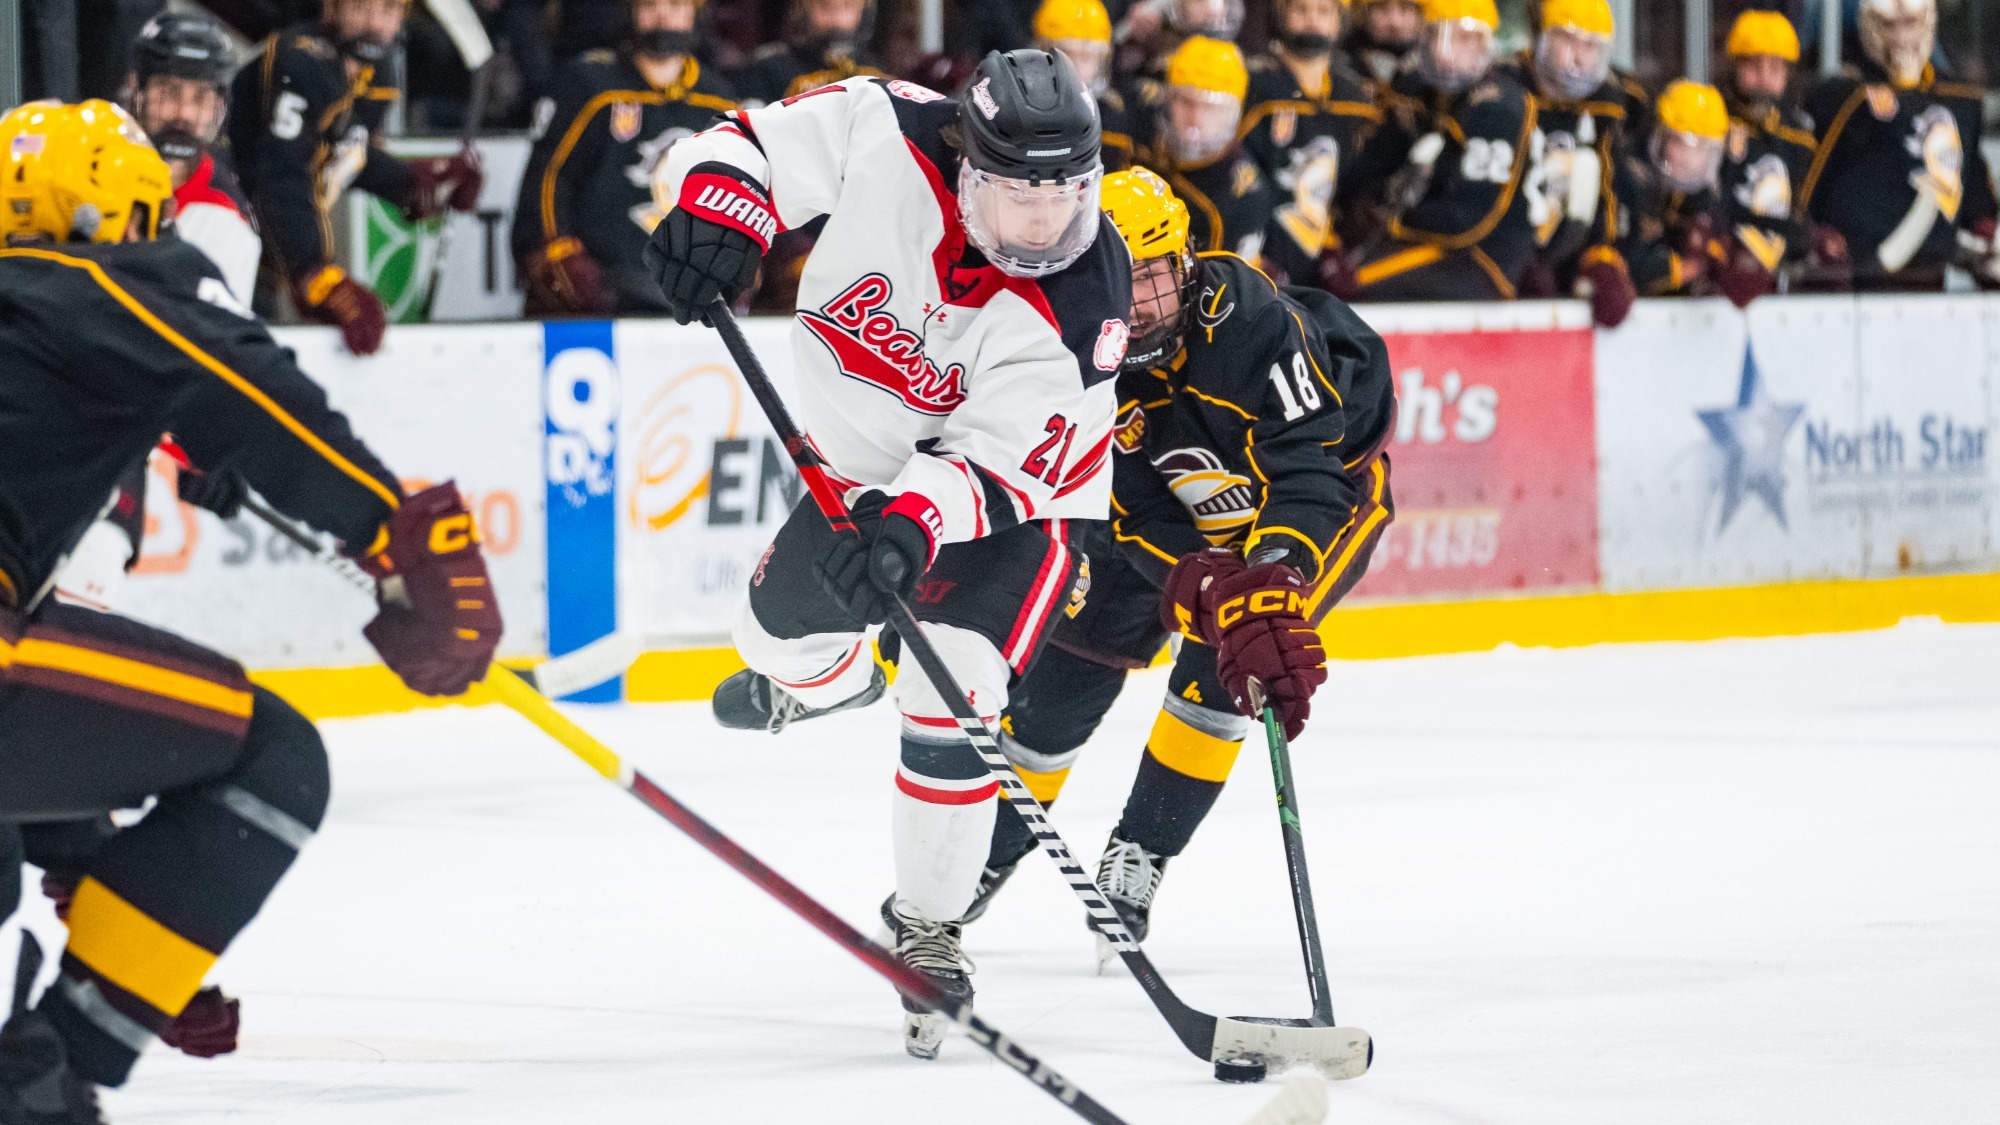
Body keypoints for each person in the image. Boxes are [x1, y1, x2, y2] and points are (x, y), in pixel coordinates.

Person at [0, 99, 501, 1120]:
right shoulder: (112, 282)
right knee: (271, 755)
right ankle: (61, 1069)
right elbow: (261, 404)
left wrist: (116, 899)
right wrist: (397, 539)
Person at [646, 50, 1130, 1060]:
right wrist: (717, 216)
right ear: (965, 165)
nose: (1043, 225)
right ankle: (826, 686)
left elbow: (1002, 460)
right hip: (851, 478)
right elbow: (745, 145)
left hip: (1009, 512)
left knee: (952, 684)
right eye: (1016, 198)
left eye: (1065, 197)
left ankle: (929, 924)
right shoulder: (883, 128)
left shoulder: (1086, 299)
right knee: (767, 638)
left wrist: (911, 526)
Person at [962, 168, 1394, 950]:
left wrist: (1272, 579)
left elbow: (1309, 470)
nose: (1134, 303)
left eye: (1153, 276)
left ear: (1187, 264)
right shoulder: (1076, 348)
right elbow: (1124, 506)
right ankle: (972, 864)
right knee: (1064, 683)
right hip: (1171, 517)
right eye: (1115, 281)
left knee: (1232, 665)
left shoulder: (1252, 324)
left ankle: (1141, 854)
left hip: (1316, 502)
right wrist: (1195, 576)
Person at [228, 0, 484, 354]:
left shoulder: (377, 74)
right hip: (223, 238)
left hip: (265, 252)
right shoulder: (302, 61)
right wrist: (313, 273)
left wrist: (415, 182)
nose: (374, 24)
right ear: (331, 8)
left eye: (389, 10)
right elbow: (281, 176)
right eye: (362, 6)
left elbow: (343, 157)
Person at [514, 0, 737, 316]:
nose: (662, 15)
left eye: (675, 4)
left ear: (696, 12)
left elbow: (739, 198)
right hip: (602, 288)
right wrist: (556, 250)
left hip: (691, 291)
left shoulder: (720, 100)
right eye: (649, 5)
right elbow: (548, 180)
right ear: (630, 11)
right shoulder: (587, 84)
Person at [1336, 0, 1540, 302]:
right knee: (1330, 274)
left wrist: (1390, 219)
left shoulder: (1499, 105)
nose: (1446, 53)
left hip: (1480, 258)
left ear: (1486, 44)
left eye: (1464, 39)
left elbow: (1468, 220)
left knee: (1346, 287)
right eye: (1437, 37)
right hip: (1425, 242)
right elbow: (1377, 165)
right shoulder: (1419, 90)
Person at [1799, 0, 1996, 291]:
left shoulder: (1960, 99)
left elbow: (1973, 189)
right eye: (1889, 26)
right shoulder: (1843, 97)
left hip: (1932, 278)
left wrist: (1984, 227)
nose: (1902, 38)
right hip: (1856, 283)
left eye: (1910, 24)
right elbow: (1808, 184)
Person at [1501, 0, 1640, 327]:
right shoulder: (1505, 82)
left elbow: (1608, 184)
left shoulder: (1609, 97)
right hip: (1501, 251)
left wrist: (1602, 254)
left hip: (1565, 250)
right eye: (1568, 41)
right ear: (1542, 38)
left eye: (1590, 46)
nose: (1579, 57)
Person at [122, 11, 262, 302]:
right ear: (137, 88)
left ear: (218, 106)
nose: (183, 113)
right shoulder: (86, 163)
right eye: (168, 91)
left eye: (200, 97)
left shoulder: (229, 222)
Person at [1239, 0, 1381, 286]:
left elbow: (1351, 187)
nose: (1312, 20)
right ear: (1281, 15)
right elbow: (1241, 179)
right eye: (1300, 10)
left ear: (1340, 19)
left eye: (1323, 11)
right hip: (1259, 250)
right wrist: (1250, 254)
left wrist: (1338, 244)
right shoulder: (1252, 84)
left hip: (1320, 251)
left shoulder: (1355, 96)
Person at [1619, 80, 1782, 306]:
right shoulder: (1631, 178)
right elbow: (1622, 261)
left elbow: (1724, 248)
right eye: (1680, 142)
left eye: (1702, 148)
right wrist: (1682, 268)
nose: (1689, 158)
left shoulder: (1711, 194)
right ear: (1660, 138)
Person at [1718, 10, 1828, 289]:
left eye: (1775, 68)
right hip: (1724, 267)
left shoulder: (1800, 135)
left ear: (1788, 74)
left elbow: (1807, 208)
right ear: (1734, 68)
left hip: (1784, 270)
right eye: (1754, 66)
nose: (1764, 78)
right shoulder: (1714, 123)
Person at [1146, 36, 1275, 261]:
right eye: (1185, 102)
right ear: (1167, 100)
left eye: (1211, 108)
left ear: (1235, 113)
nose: (1195, 118)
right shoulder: (1142, 143)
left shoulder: (1243, 200)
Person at [1032, 0, 1149, 173]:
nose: (1077, 68)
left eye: (1087, 57)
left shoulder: (1116, 118)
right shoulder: (1019, 111)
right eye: (1066, 55)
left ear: (1102, 59)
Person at [737, 0, 888, 107]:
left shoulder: (871, 70)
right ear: (802, 10)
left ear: (864, 11)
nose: (837, 20)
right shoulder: (771, 69)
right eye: (825, 6)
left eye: (848, 5)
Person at [1344, 0, 1424, 89]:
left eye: (1405, 8)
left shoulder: (1433, 69)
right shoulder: (1340, 67)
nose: (1395, 22)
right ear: (1363, 13)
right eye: (1382, 8)